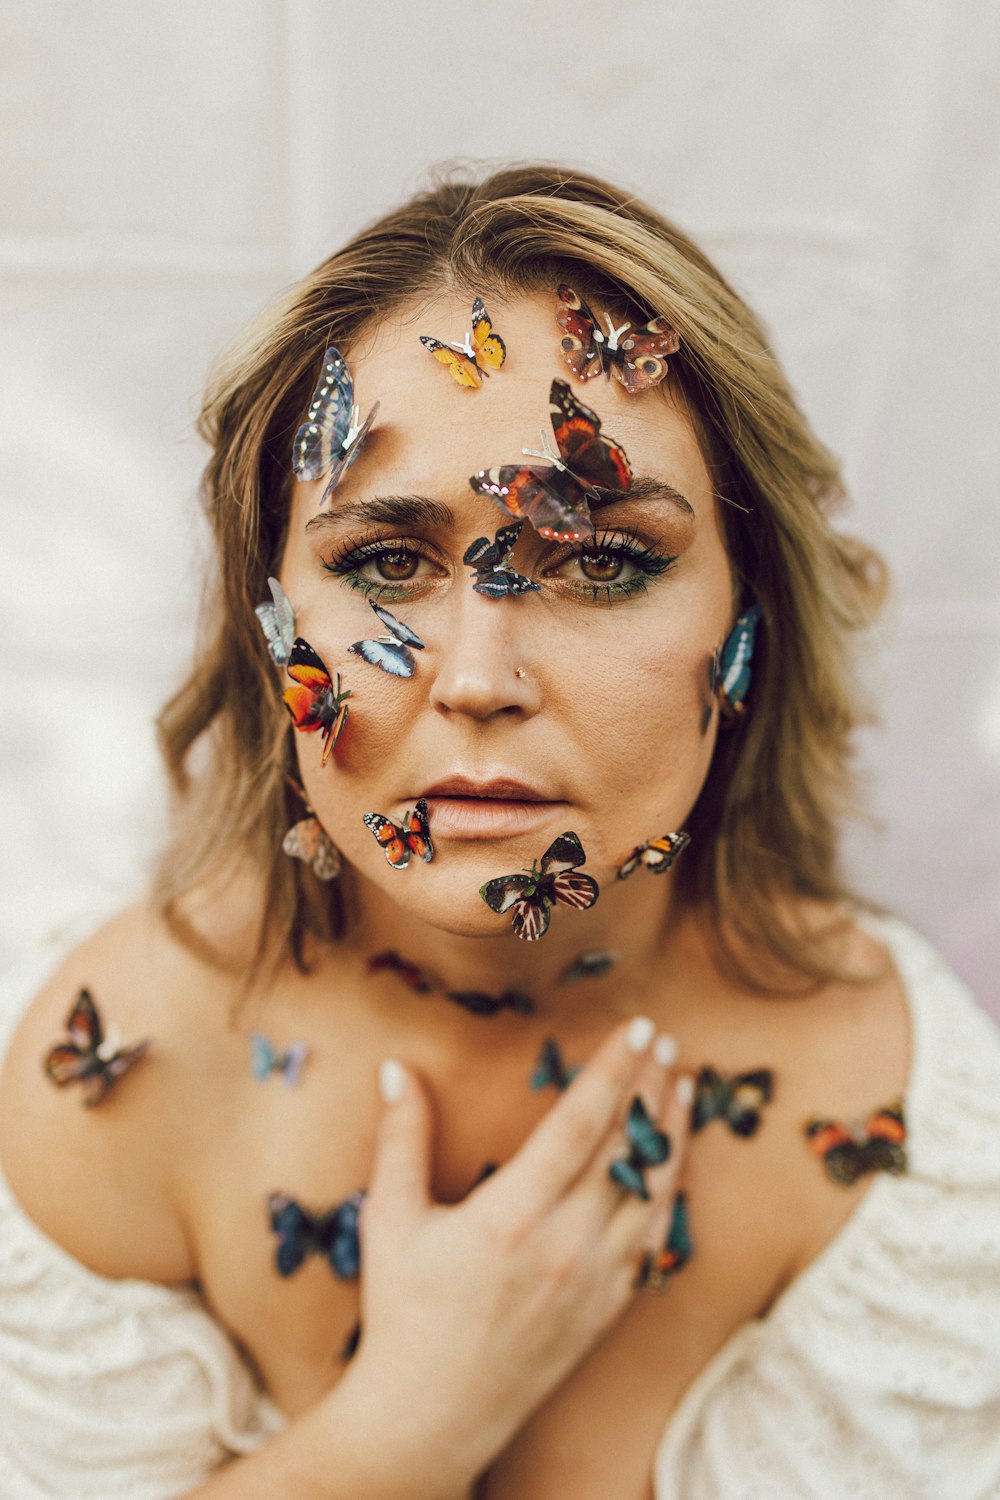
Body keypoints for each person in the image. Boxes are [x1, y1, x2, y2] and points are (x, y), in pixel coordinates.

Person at [1, 164, 998, 1500]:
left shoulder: (898, 1115)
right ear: (268, 617)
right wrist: (406, 1428)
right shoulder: (126, 1075)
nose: (475, 678)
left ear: (750, 619)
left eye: (602, 562)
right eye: (385, 562)